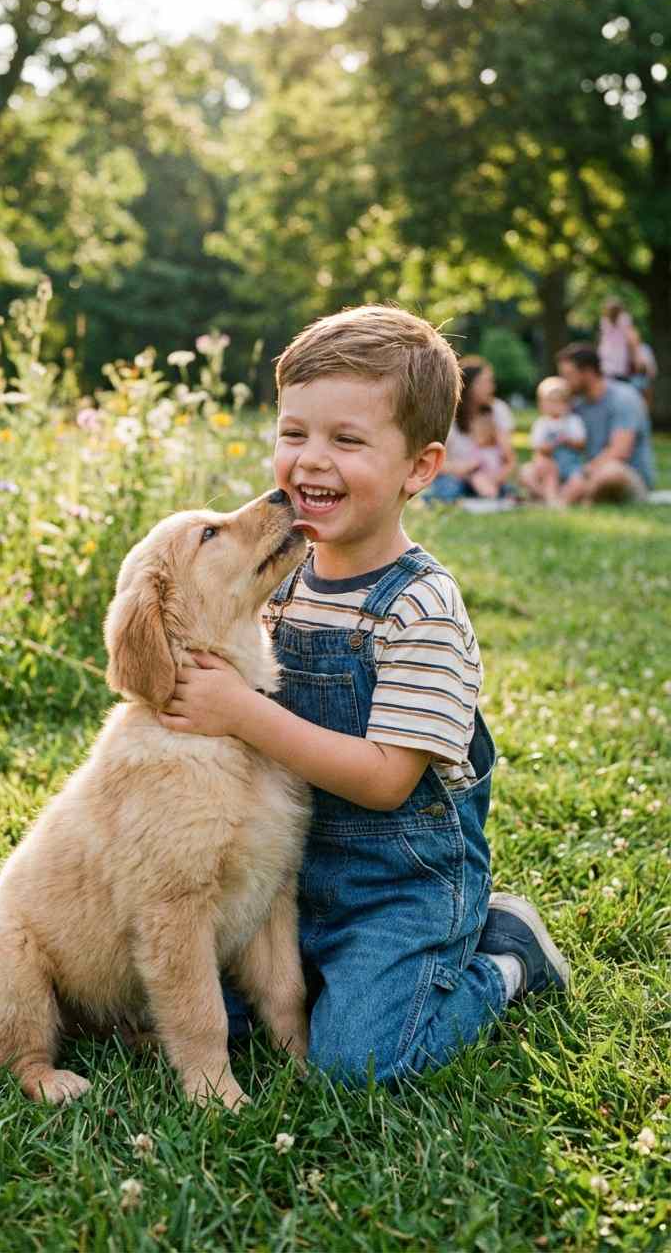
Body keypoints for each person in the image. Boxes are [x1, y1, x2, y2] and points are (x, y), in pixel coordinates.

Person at [159, 305, 569, 1087]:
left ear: (420, 467)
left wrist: (246, 713)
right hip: (285, 883)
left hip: (399, 888)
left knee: (359, 1060)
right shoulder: (277, 579)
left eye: (347, 441)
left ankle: (506, 955)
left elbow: (387, 780)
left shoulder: (422, 606)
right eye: (293, 433)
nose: (310, 461)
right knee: (183, 1004)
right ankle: (324, 976)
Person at [557, 343, 654, 504]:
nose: (564, 381)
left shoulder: (624, 398)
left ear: (587, 372)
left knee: (610, 473)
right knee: (531, 470)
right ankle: (571, 496)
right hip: (590, 472)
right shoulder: (577, 405)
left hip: (628, 475)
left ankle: (578, 499)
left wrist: (583, 474)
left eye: (568, 374)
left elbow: (620, 451)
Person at [426, 355, 516, 502]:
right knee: (450, 488)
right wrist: (461, 469)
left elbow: (510, 460)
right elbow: (433, 462)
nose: (491, 387)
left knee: (499, 489)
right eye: (485, 382)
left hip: (490, 476)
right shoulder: (448, 416)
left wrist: (496, 478)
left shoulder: (498, 410)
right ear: (469, 385)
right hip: (457, 477)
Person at [521, 376, 586, 505]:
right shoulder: (542, 424)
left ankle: (562, 499)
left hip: (570, 466)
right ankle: (548, 498)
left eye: (558, 402)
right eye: (550, 402)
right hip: (547, 467)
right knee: (526, 473)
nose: (554, 406)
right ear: (541, 405)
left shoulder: (573, 421)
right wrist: (549, 446)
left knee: (579, 483)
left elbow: (581, 443)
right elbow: (537, 446)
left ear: (567, 404)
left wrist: (568, 441)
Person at [597, 297, 641, 381]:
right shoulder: (604, 320)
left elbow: (632, 339)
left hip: (620, 355)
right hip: (607, 354)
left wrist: (636, 358)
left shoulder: (624, 319)